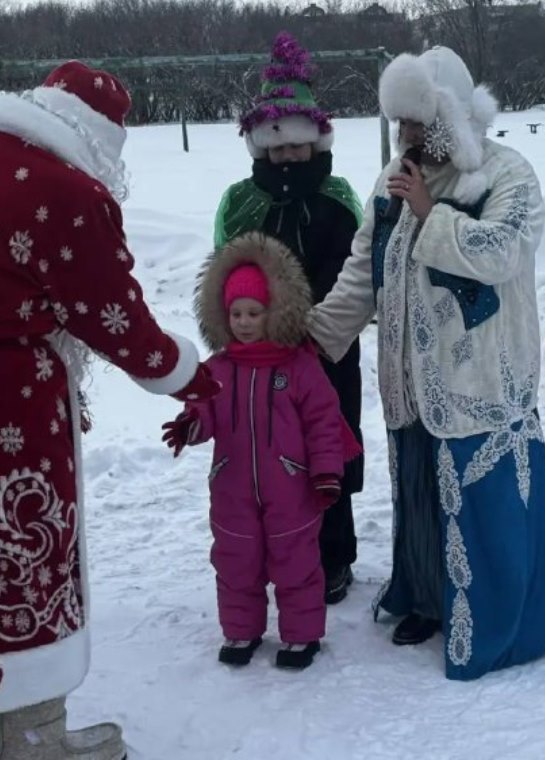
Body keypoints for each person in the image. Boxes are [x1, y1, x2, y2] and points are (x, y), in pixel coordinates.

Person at [0, 61, 218, 760]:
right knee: (24, 557)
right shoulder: (65, 191)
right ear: (98, 139)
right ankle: (33, 736)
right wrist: (192, 376)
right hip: (13, 416)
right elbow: (118, 323)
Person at [309, 46, 545, 681]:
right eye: (398, 123)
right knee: (424, 502)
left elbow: (503, 255)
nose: (404, 137)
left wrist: (432, 217)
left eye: (415, 123)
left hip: (482, 382)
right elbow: (364, 270)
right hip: (410, 379)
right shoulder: (391, 180)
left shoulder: (506, 174)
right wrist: (319, 334)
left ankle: (509, 614)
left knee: (488, 508)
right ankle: (432, 599)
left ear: (451, 119)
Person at [215, 31, 364, 605]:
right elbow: (230, 265)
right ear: (262, 148)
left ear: (315, 143)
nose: (288, 156)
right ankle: (280, 552)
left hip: (327, 350)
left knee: (329, 446)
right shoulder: (243, 201)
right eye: (278, 148)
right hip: (264, 354)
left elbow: (351, 270)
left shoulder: (337, 197)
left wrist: (316, 326)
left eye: (298, 147)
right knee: (272, 456)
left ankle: (334, 555)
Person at [164, 233, 358, 670]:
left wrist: (326, 472)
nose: (245, 323)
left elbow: (324, 422)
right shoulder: (218, 369)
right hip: (232, 485)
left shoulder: (300, 367)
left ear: (276, 312)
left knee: (297, 564)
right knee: (236, 562)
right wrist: (191, 425)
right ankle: (241, 630)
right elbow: (204, 411)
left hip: (291, 486)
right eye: (236, 314)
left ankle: (301, 636)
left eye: (255, 312)